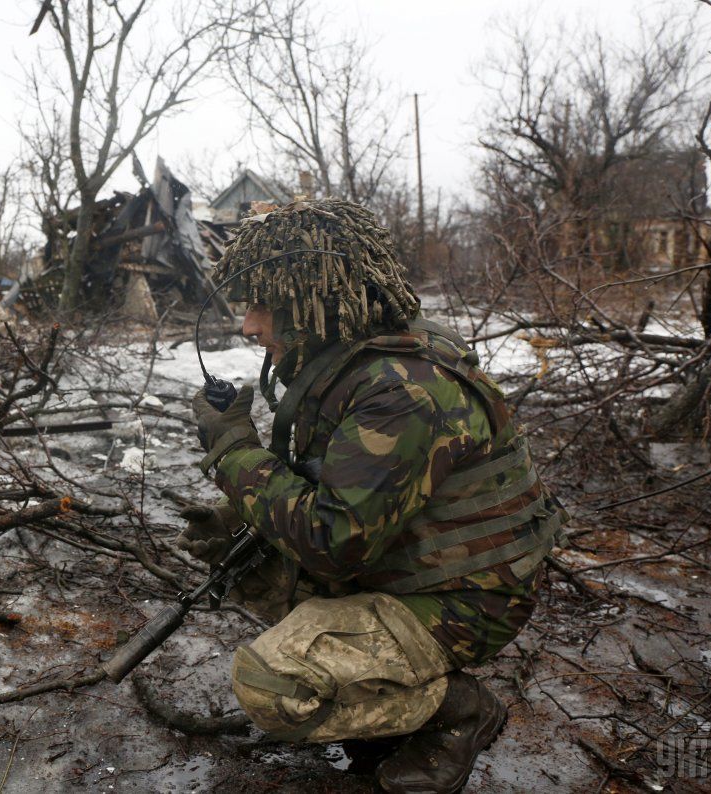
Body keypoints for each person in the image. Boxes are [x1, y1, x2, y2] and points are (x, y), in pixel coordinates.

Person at [181, 199, 566, 793]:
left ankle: (456, 710)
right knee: (250, 563)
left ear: (317, 304)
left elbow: (334, 544)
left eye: (264, 307)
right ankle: (386, 690)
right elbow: (332, 482)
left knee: (272, 684)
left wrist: (233, 452)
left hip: (469, 599)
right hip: (407, 567)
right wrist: (238, 510)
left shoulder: (400, 388)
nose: (249, 327)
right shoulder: (347, 361)